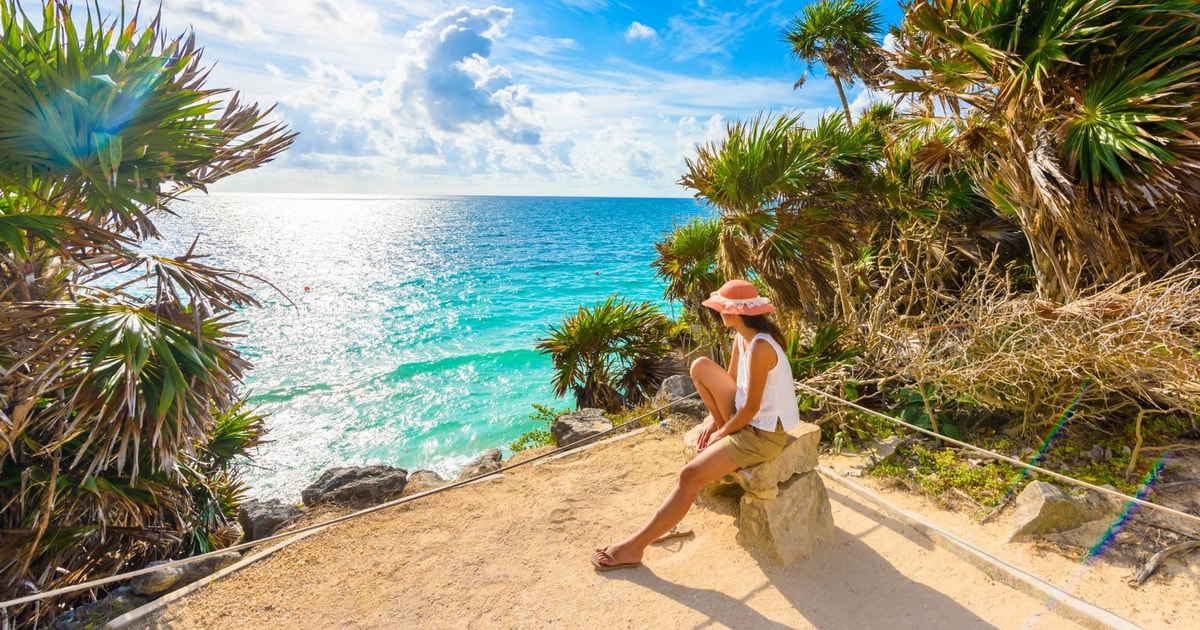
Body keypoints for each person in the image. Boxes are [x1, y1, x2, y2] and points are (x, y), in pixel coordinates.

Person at [591, 279, 801, 571]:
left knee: (690, 475)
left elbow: (752, 407)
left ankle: (633, 549)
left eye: (723, 307)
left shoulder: (762, 347)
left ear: (736, 312)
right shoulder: (743, 337)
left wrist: (722, 432)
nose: (719, 312)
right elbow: (729, 380)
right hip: (745, 419)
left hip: (762, 434)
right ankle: (647, 536)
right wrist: (713, 419)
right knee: (700, 365)